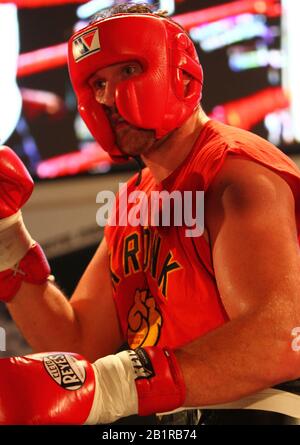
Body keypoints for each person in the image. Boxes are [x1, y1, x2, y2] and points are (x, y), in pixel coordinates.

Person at [0, 3, 300, 425]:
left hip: (259, 410)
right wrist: (9, 239)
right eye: (97, 83)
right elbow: (80, 345)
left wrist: (118, 383)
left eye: (126, 72)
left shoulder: (235, 173)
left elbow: (280, 339)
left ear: (181, 73)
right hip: (175, 418)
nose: (109, 98)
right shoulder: (133, 201)